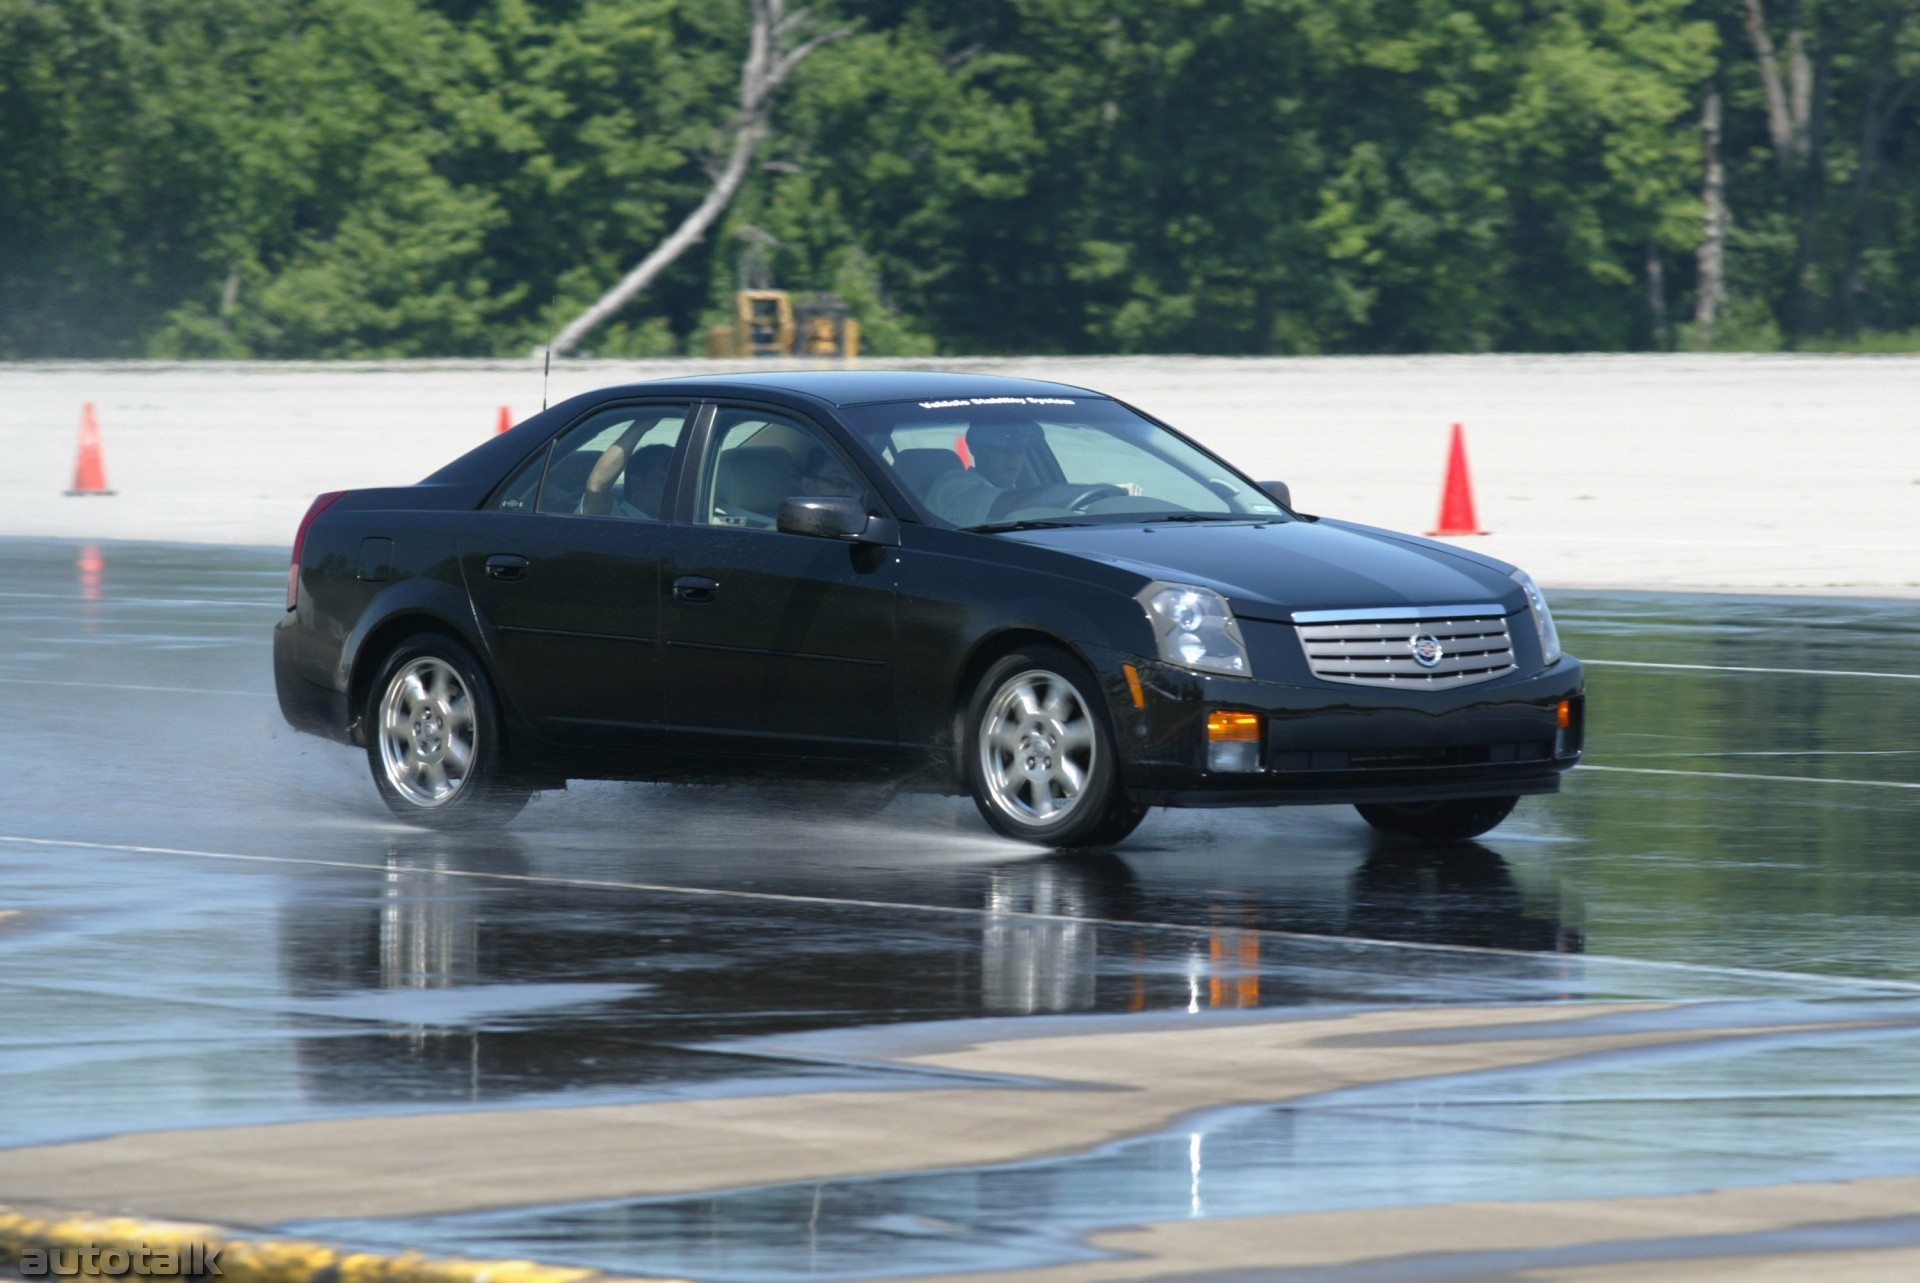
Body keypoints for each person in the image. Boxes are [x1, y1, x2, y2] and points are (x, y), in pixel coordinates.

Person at [923, 421, 1042, 526]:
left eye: (1021, 450)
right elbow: (1006, 505)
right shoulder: (953, 486)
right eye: (1003, 449)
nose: (1013, 457)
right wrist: (1052, 495)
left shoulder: (1013, 491)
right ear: (977, 449)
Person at [582, 415, 676, 518]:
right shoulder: (618, 517)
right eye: (663, 481)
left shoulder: (679, 518)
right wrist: (642, 425)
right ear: (637, 483)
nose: (675, 489)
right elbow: (596, 488)